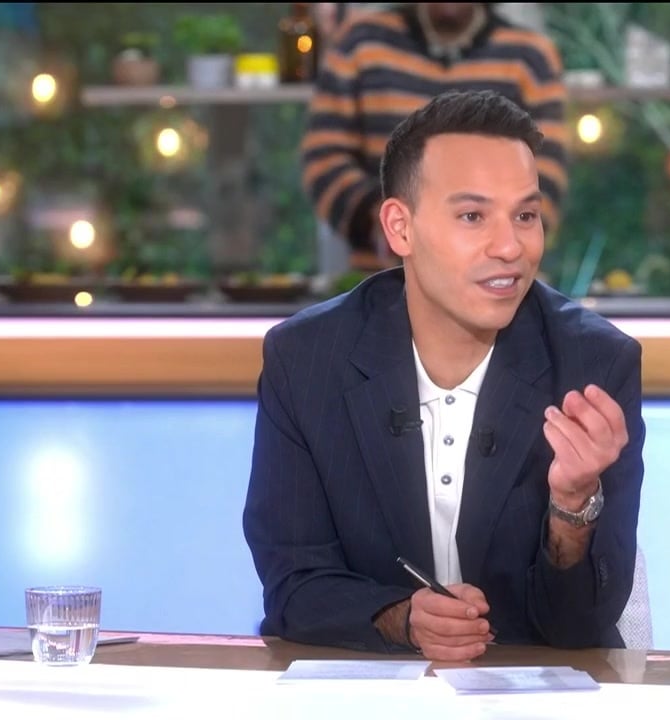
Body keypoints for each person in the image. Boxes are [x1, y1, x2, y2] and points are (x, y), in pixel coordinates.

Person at [243, 89, 644, 661]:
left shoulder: (594, 367)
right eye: (473, 216)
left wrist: (573, 506)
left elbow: (581, 625)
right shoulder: (307, 361)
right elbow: (293, 585)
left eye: (525, 215)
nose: (510, 246)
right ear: (400, 228)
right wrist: (403, 619)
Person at [300, 2, 568, 271]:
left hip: (499, 277)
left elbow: (547, 177)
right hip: (384, 275)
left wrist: (486, 238)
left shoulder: (531, 59)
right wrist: (381, 219)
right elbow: (324, 158)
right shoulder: (359, 45)